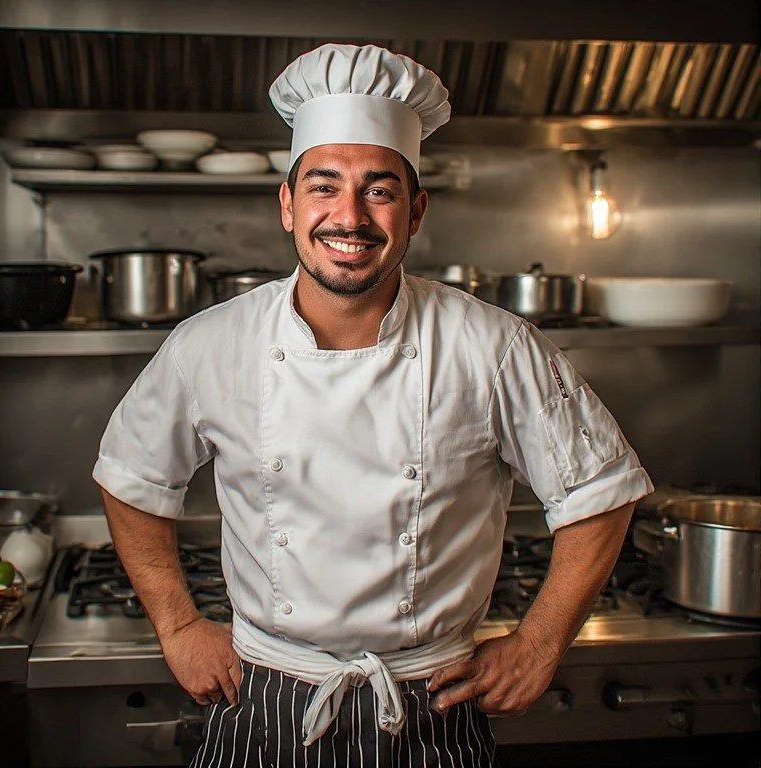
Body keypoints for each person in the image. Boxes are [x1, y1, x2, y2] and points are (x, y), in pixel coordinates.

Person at [93, 43, 653, 768]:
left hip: (433, 703)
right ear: (288, 205)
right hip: (261, 694)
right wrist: (176, 626)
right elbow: (132, 476)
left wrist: (540, 642)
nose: (349, 216)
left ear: (415, 211)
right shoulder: (210, 344)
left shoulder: (493, 345)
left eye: (379, 189)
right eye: (323, 186)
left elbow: (599, 493)